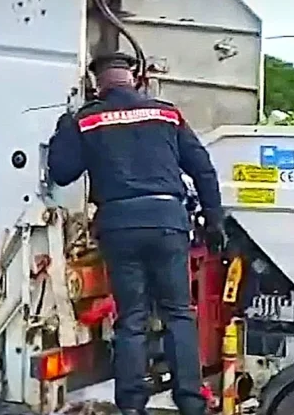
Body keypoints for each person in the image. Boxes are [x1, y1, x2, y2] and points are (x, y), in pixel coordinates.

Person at [47, 51, 224, 415]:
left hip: (120, 226)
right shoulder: (166, 114)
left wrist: (64, 129)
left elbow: (63, 172)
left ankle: (131, 406)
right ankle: (190, 402)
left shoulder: (86, 120)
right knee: (178, 313)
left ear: (98, 84)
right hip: (167, 221)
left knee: (132, 318)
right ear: (134, 79)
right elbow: (203, 169)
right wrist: (214, 218)